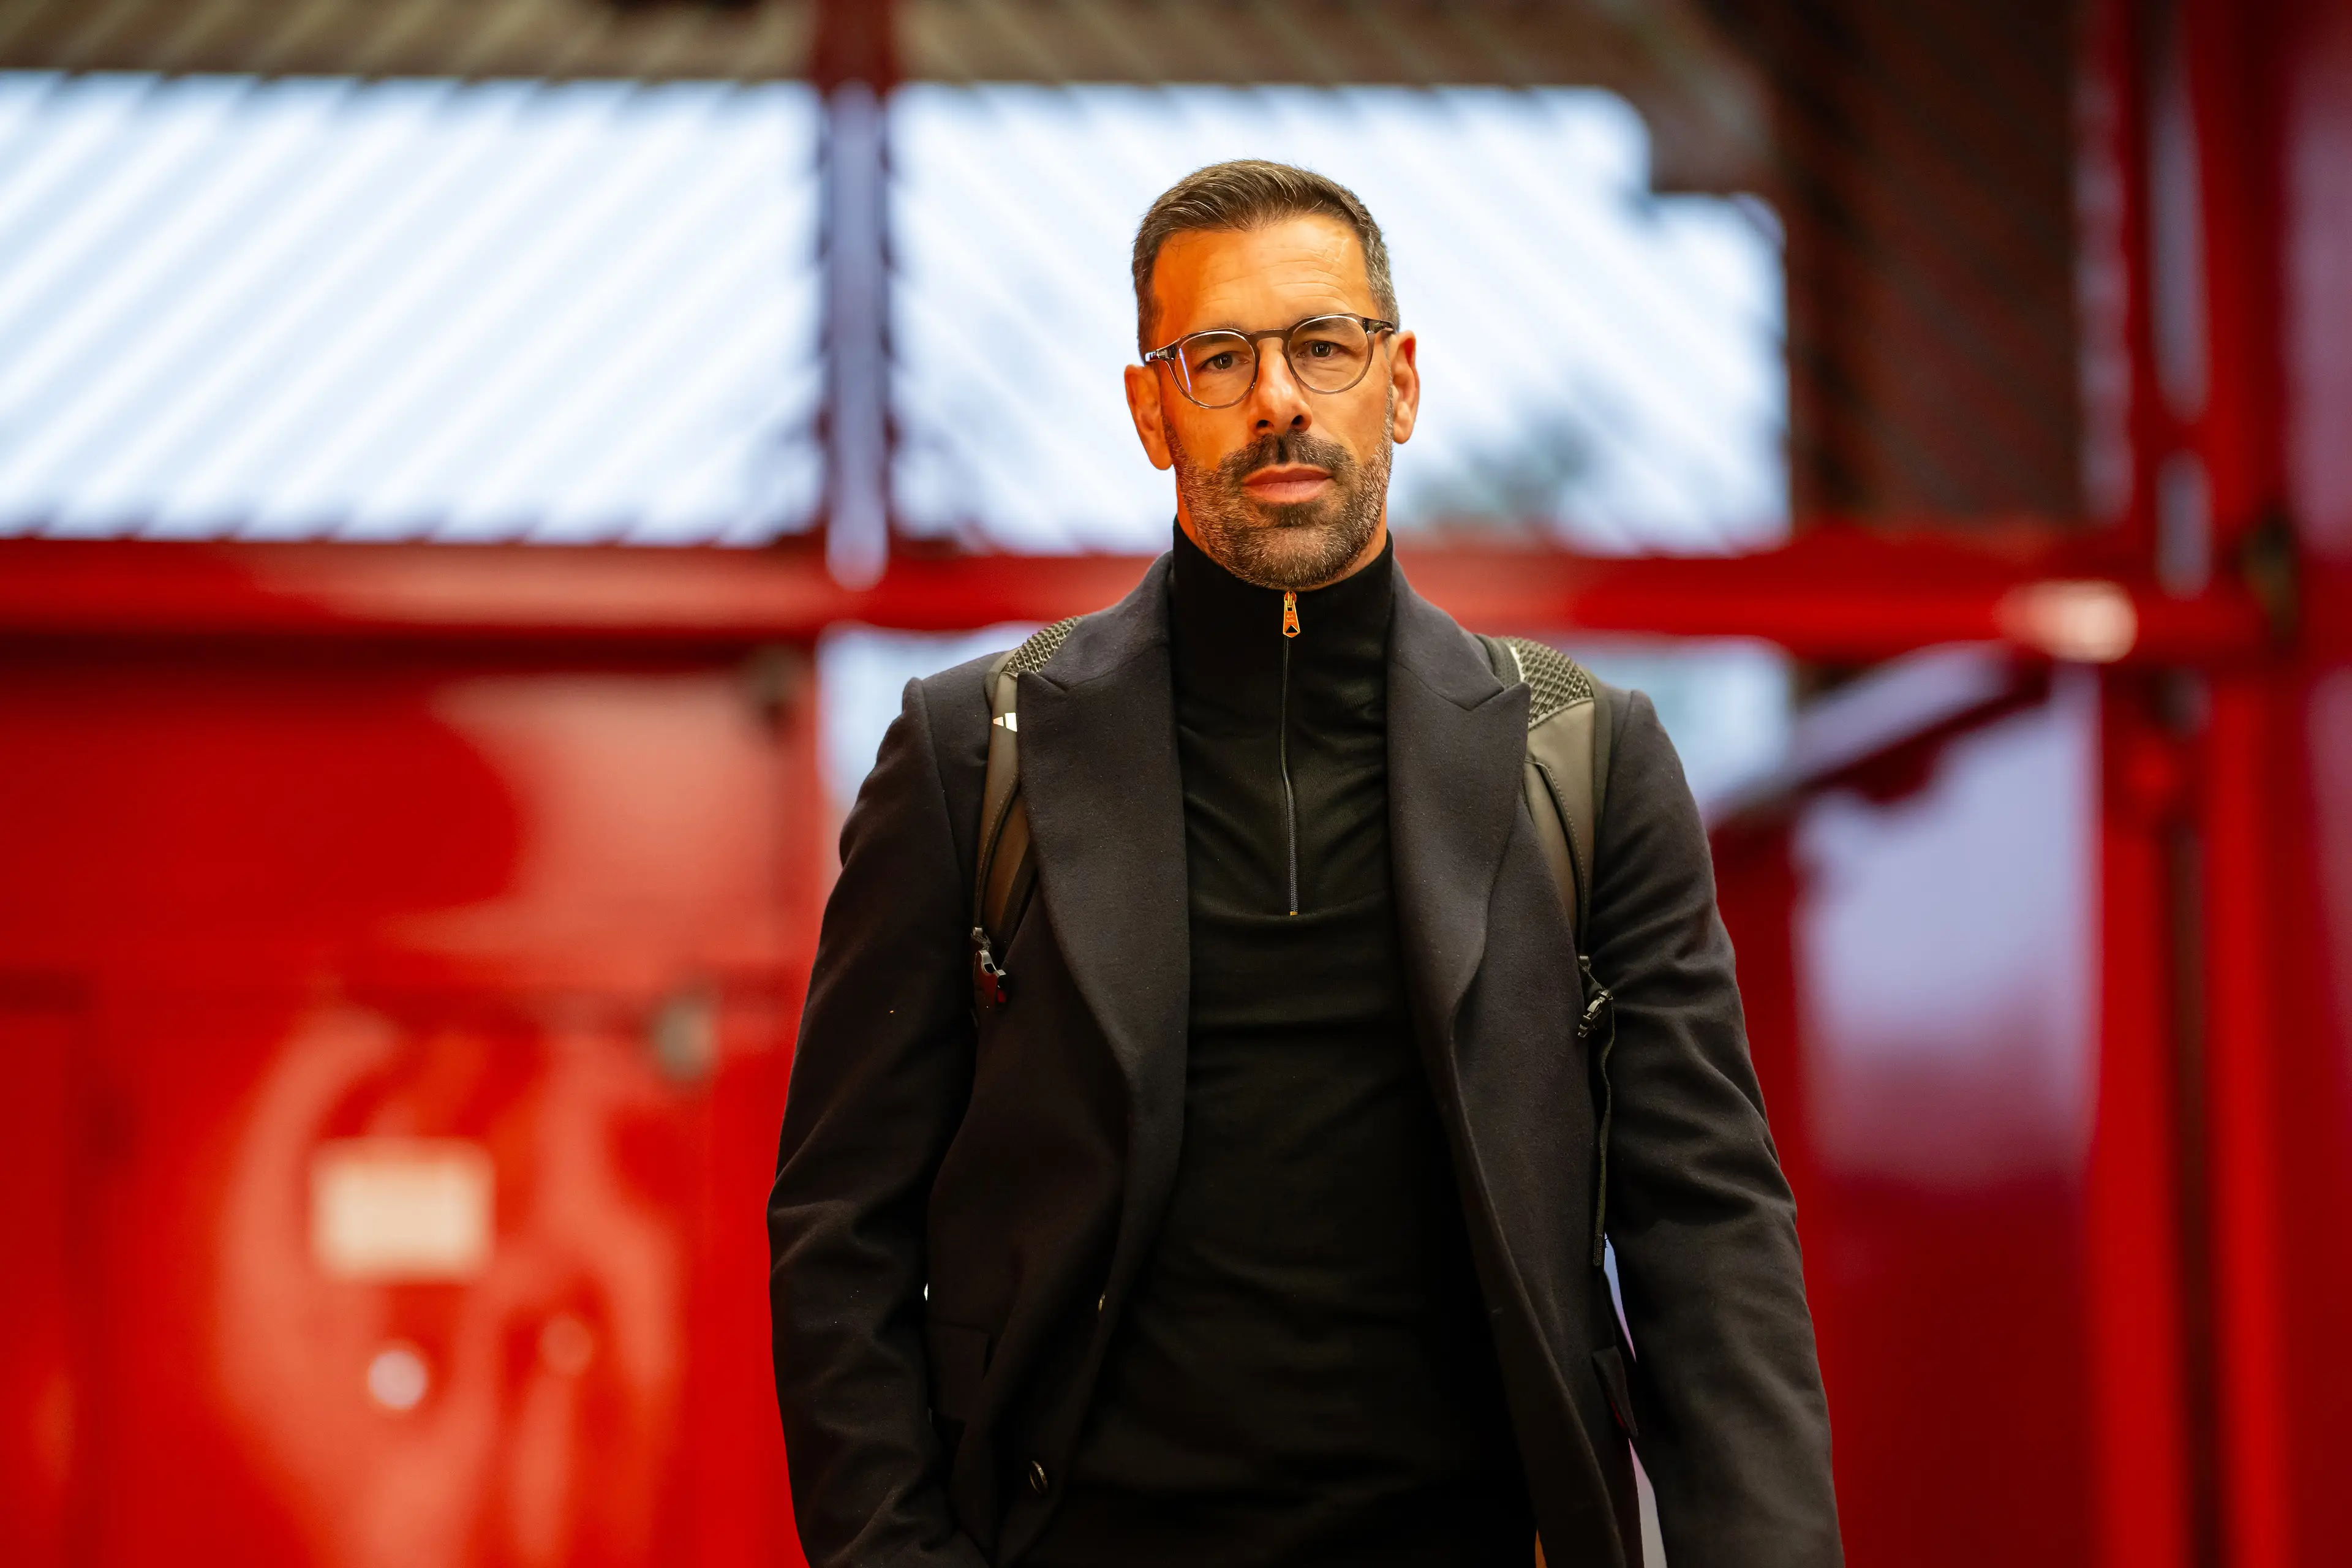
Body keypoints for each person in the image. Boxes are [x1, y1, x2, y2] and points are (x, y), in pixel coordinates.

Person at [769, 159, 1839, 1568]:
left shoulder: (1586, 756)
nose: (1279, 396)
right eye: (1220, 356)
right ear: (1154, 410)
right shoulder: (979, 750)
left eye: (1323, 346)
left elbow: (1708, 1227)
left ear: (1397, 385)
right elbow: (839, 1229)